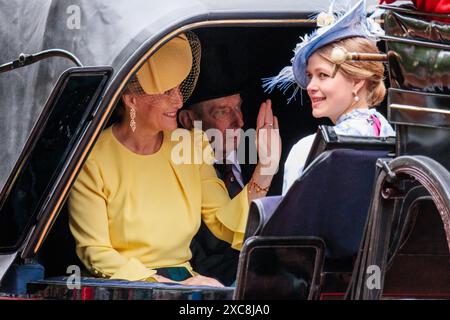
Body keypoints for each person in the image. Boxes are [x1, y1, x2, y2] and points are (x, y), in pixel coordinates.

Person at [68, 33, 281, 287]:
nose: (179, 100)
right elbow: (95, 252)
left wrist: (265, 168)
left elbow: (226, 223)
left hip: (186, 282)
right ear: (131, 98)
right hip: (123, 287)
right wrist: (165, 286)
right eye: (167, 91)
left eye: (179, 88)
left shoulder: (191, 144)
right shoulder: (92, 158)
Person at [264, 0, 395, 195]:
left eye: (323, 75)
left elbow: (295, 225)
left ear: (357, 80)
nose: (310, 87)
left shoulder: (305, 152)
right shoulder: (393, 139)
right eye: (309, 76)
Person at [178, 36, 257, 285]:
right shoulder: (177, 168)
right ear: (188, 121)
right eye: (223, 111)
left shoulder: (266, 149)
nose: (240, 122)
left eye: (239, 107)